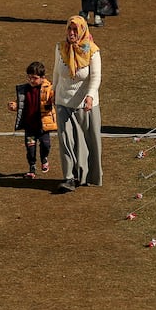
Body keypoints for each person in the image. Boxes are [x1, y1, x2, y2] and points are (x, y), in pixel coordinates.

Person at [53, 16, 103, 194]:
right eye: (69, 29)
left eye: (75, 30)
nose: (72, 33)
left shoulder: (92, 51)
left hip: (84, 104)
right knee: (66, 139)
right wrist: (53, 92)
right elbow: (56, 72)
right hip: (63, 102)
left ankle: (86, 175)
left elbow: (95, 77)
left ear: (82, 31)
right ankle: (69, 177)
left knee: (86, 142)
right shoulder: (60, 48)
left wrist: (90, 96)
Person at [7, 61, 57, 178]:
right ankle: (32, 168)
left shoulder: (48, 89)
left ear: (42, 78)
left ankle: (44, 158)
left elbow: (53, 98)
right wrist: (14, 105)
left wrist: (54, 99)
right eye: (29, 77)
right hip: (29, 127)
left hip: (43, 126)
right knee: (30, 148)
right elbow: (21, 103)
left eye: (34, 78)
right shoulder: (25, 89)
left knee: (45, 145)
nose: (31, 80)